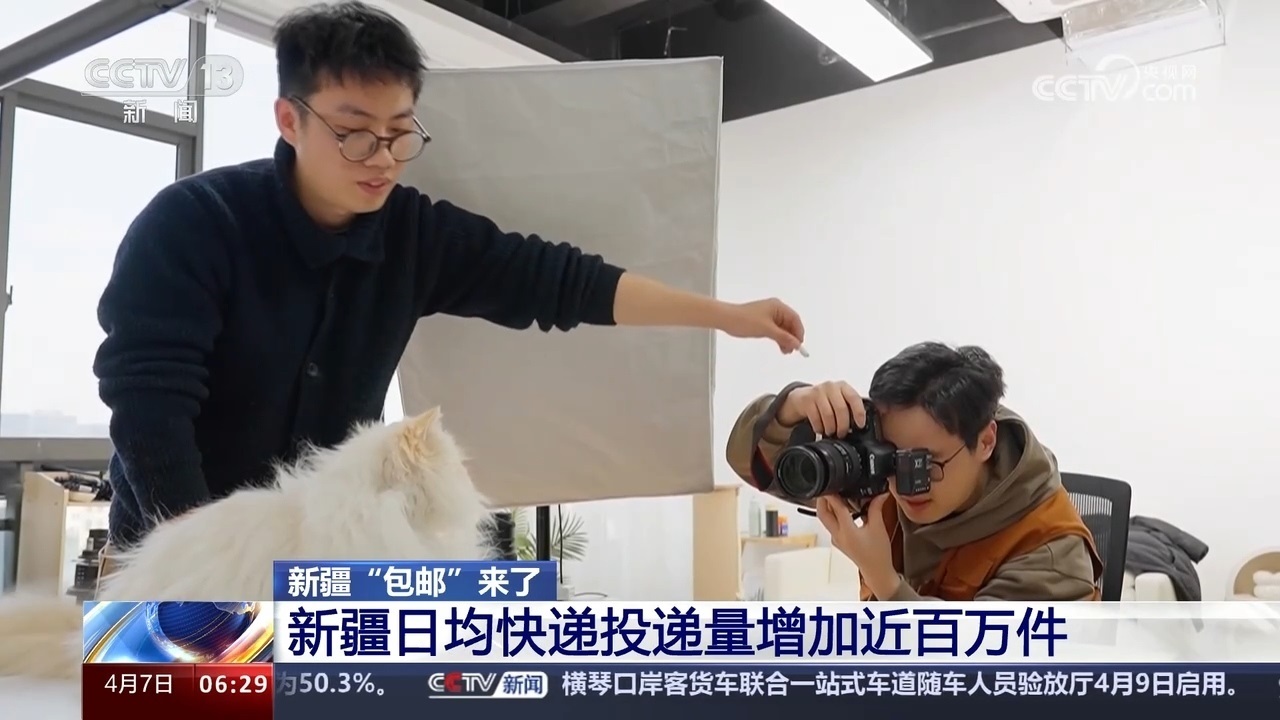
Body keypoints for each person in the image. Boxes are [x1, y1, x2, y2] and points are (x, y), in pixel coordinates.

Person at [92, 1, 805, 549]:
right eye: (354, 132)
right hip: (175, 548)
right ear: (289, 119)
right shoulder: (193, 223)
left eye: (400, 131)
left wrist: (726, 315)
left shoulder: (413, 234)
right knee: (185, 687)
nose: (382, 157)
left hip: (318, 555)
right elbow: (149, 403)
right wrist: (199, 561)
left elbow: (561, 281)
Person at [725, 342, 1102, 602]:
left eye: (925, 464)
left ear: (985, 442)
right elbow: (748, 461)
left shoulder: (1049, 552)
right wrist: (792, 408)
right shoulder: (885, 478)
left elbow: (983, 677)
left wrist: (886, 584)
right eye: (892, 457)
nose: (906, 486)